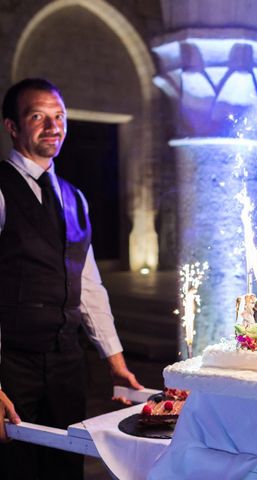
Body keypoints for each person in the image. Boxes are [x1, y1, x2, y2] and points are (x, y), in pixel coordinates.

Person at [0, 78, 143, 479]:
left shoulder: (73, 197)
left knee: (64, 466)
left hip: (66, 362)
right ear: (12, 126)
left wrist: (114, 360)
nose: (53, 126)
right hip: (12, 364)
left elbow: (90, 286)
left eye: (59, 116)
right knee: (15, 468)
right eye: (38, 116)